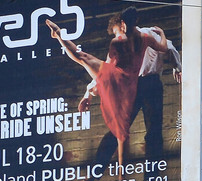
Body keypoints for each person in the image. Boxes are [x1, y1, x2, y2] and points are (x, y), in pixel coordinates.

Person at [46, 12, 142, 167]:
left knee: (122, 134)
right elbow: (103, 71)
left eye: (119, 30)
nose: (117, 34)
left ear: (124, 25)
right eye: (115, 32)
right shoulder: (117, 49)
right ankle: (121, 180)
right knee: (82, 57)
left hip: (131, 84)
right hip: (120, 83)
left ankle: (122, 179)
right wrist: (88, 95)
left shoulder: (141, 36)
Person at [128, 12, 182, 161]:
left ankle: (152, 172)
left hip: (147, 82)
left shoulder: (148, 33)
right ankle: (152, 173)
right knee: (151, 129)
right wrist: (177, 67)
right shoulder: (126, 38)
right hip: (141, 83)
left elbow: (169, 48)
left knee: (151, 129)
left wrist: (178, 67)